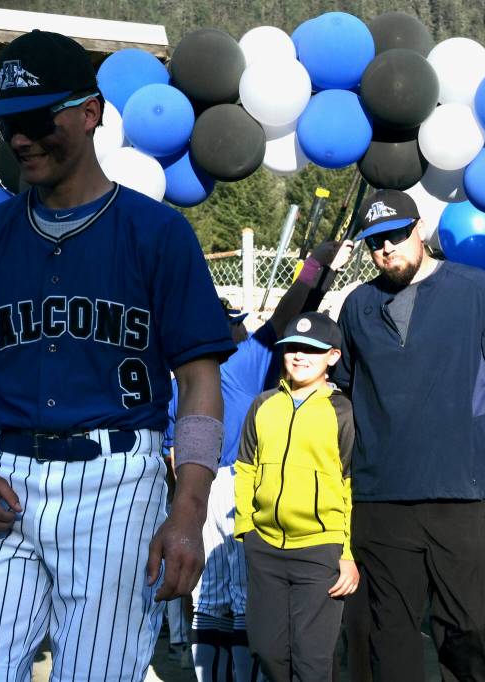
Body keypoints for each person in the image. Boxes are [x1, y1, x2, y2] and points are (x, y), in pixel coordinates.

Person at [0, 29, 235, 681]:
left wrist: (188, 510)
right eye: (8, 124)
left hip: (117, 482)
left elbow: (200, 383)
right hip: (1, 476)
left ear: (90, 114)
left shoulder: (158, 234)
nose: (20, 138)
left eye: (35, 119)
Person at [332, 189, 485, 681]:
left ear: (419, 229)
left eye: (397, 236)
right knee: (390, 638)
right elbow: (340, 399)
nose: (387, 248)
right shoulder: (358, 306)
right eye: (376, 242)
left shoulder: (476, 291)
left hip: (467, 495)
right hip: (381, 498)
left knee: (468, 632)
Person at [163, 241, 354, 682]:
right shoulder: (220, 365)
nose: (235, 330)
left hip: (218, 486)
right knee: (223, 597)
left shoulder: (221, 364)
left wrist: (317, 270)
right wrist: (315, 266)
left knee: (226, 597)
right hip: (222, 485)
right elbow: (288, 317)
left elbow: (292, 319)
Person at [234, 311, 358, 680]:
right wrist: (247, 529)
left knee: (312, 660)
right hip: (265, 548)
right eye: (292, 349)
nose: (299, 356)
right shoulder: (263, 405)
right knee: (267, 651)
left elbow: (349, 485)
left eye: (312, 349)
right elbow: (245, 468)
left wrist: (346, 554)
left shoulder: (343, 411)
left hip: (320, 550)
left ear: (332, 357)